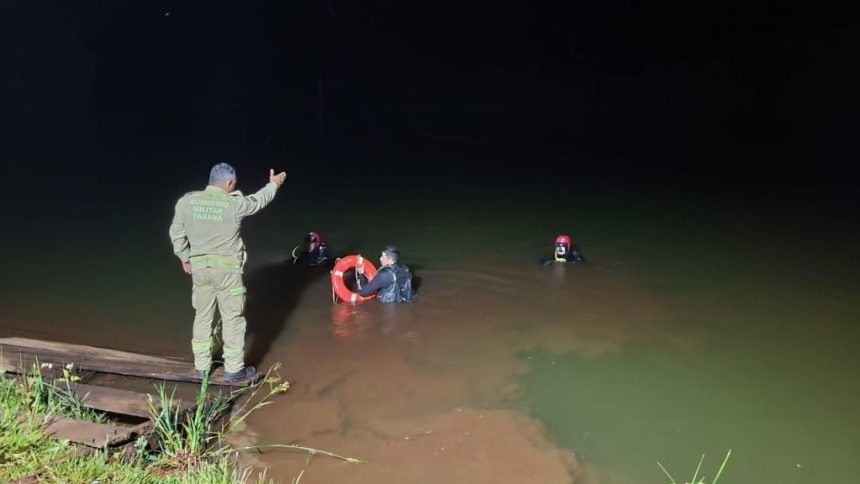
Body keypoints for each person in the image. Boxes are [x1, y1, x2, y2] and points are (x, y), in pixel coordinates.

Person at [169, 162, 287, 381]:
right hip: (227, 273)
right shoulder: (234, 204)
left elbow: (176, 233)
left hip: (201, 270)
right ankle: (233, 370)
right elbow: (258, 200)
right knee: (233, 319)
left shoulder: (186, 201)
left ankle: (202, 368)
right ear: (230, 183)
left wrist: (185, 257)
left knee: (202, 317)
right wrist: (273, 185)